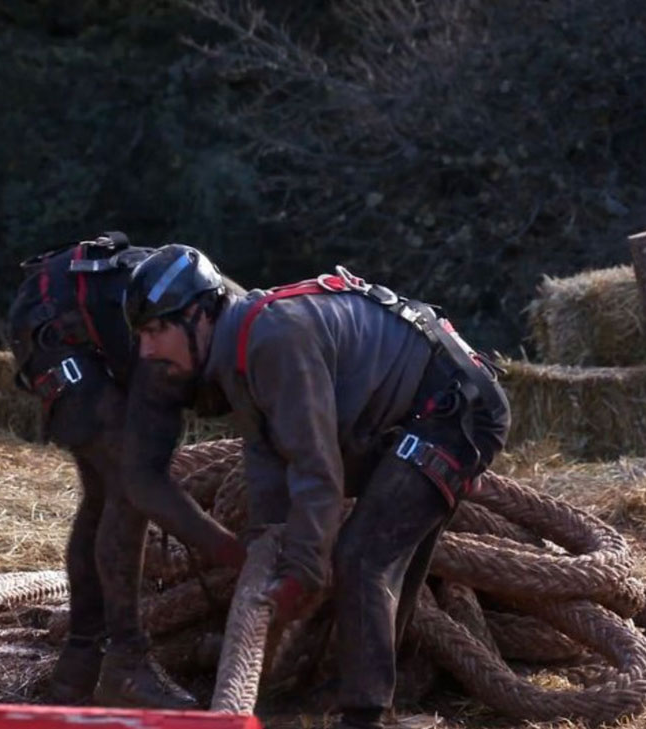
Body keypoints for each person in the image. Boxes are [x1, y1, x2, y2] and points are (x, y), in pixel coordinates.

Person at [122, 244, 510, 729]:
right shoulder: (240, 350)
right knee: (377, 550)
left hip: (454, 414)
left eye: (157, 329)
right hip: (407, 419)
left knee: (362, 556)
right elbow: (268, 458)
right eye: (142, 334)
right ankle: (367, 690)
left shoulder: (272, 339)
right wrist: (267, 544)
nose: (147, 350)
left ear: (202, 314)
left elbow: (315, 468)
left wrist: (302, 569)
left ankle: (365, 716)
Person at [7, 233, 246, 709]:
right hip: (56, 325)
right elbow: (144, 481)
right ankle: (125, 664)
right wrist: (228, 548)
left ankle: (79, 667)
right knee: (121, 487)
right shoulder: (171, 345)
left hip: (93, 322)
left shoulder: (243, 330)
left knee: (105, 495)